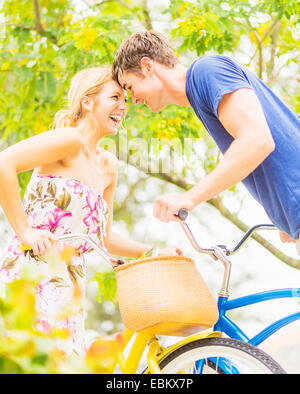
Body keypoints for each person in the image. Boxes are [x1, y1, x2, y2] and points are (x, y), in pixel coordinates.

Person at [0, 67, 180, 357]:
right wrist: (24, 230)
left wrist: (155, 252)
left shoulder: (108, 166)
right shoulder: (67, 140)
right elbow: (3, 164)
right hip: (32, 273)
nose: (124, 107)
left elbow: (104, 238)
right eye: (115, 97)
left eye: (126, 99)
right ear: (87, 102)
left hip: (70, 283)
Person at [112, 30, 300, 256]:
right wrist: (284, 215)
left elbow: (257, 140)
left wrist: (189, 197)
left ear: (147, 67)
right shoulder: (202, 95)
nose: (133, 100)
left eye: (130, 87)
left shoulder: (206, 71)